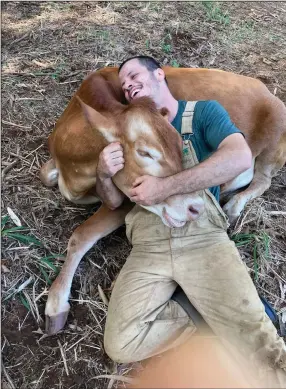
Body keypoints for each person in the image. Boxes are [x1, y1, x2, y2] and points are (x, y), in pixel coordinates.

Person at [96, 56, 286, 386]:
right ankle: (202, 312)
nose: (127, 84)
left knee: (264, 353)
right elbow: (113, 203)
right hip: (147, 242)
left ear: (159, 73)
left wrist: (163, 187)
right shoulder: (127, 133)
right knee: (120, 344)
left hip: (202, 234)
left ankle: (231, 317)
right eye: (123, 84)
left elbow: (239, 157)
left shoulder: (202, 112)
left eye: (133, 74)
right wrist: (103, 172)